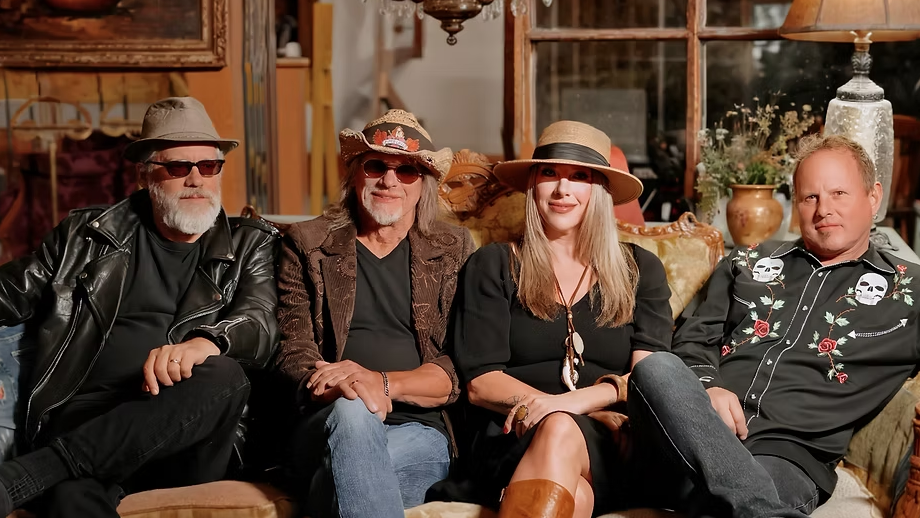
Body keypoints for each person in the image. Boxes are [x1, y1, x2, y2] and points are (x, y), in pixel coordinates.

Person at [0, 96, 280, 517]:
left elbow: (260, 321)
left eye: (209, 166)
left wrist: (206, 342)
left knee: (224, 374)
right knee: (69, 499)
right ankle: (59, 469)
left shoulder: (249, 244)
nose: (196, 180)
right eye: (178, 167)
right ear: (145, 175)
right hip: (88, 418)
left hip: (187, 432)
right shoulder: (85, 237)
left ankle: (32, 473)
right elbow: (7, 293)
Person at [628, 134, 920, 517]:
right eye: (810, 197)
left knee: (738, 494)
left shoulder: (909, 292)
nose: (824, 210)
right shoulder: (747, 261)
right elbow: (694, 339)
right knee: (655, 368)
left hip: (786, 457)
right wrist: (708, 386)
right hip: (696, 436)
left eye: (839, 193)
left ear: (873, 196)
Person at [449, 120, 673, 517]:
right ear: (533, 184)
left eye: (579, 176)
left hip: (610, 439)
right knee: (576, 493)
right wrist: (558, 412)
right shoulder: (494, 264)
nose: (562, 189)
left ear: (599, 190)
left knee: (560, 430)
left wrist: (574, 404)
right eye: (549, 173)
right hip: (514, 433)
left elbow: (650, 377)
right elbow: (482, 383)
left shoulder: (640, 270)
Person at [274, 109, 475, 518]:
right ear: (355, 174)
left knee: (338, 478)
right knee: (354, 412)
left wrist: (379, 384)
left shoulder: (453, 248)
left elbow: (460, 365)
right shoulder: (307, 243)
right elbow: (293, 350)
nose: (389, 181)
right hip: (327, 416)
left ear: (424, 184)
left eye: (407, 171)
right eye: (376, 166)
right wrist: (349, 390)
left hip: (421, 430)